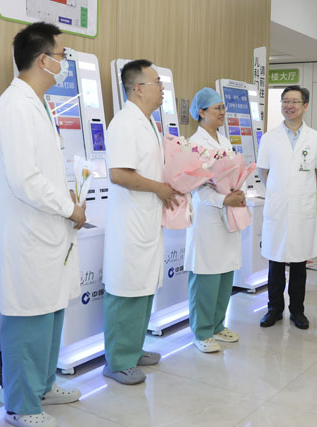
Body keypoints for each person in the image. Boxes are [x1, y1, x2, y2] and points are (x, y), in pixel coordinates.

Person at [0, 22, 86, 427]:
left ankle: (43, 386)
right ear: (43, 59)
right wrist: (68, 208)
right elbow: (25, 179)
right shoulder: (14, 106)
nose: (65, 62)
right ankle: (21, 405)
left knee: (49, 314)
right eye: (62, 55)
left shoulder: (38, 103)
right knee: (27, 321)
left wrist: (69, 203)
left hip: (49, 232)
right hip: (28, 236)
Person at [102, 59, 181, 384]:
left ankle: (133, 350)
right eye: (157, 83)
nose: (162, 89)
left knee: (143, 287)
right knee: (126, 289)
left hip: (147, 219)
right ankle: (117, 361)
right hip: (130, 223)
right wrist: (159, 189)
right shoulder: (124, 123)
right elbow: (119, 174)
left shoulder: (148, 123)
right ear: (138, 88)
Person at [257, 85, 317, 330]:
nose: (289, 106)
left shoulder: (316, 138)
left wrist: (304, 191)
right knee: (275, 262)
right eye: (285, 101)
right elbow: (263, 171)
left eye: (294, 102)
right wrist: (280, 190)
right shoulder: (269, 137)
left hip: (302, 208)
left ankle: (297, 311)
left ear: (305, 106)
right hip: (278, 207)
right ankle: (274, 309)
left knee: (299, 262)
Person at [184, 87, 246, 353]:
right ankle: (202, 331)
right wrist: (223, 199)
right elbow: (196, 187)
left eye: (223, 107)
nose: (222, 112)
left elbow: (233, 174)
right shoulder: (193, 145)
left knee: (225, 272)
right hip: (207, 217)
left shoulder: (224, 141)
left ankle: (218, 324)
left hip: (227, 217)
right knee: (206, 275)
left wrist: (237, 192)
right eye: (217, 108)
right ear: (201, 112)